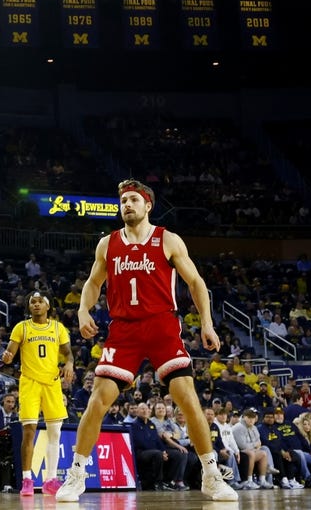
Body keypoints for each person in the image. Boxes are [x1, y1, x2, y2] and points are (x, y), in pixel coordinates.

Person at [55, 179, 237, 502]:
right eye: (123, 200)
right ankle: (76, 475)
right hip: (123, 329)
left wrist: (206, 323)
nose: (127, 205)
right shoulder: (107, 244)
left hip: (161, 325)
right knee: (98, 399)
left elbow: (195, 282)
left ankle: (211, 474)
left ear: (147, 205)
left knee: (186, 395)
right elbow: (93, 282)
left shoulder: (167, 239)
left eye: (133, 200)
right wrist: (83, 310)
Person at [1, 291, 74, 496]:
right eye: (32, 302)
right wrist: (7, 358)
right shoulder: (21, 327)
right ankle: (27, 480)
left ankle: (50, 479)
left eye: (40, 302)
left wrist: (69, 362)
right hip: (30, 383)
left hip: (52, 383)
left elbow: (68, 353)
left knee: (55, 433)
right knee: (29, 431)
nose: (36, 305)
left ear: (48, 306)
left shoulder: (58, 328)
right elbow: (10, 353)